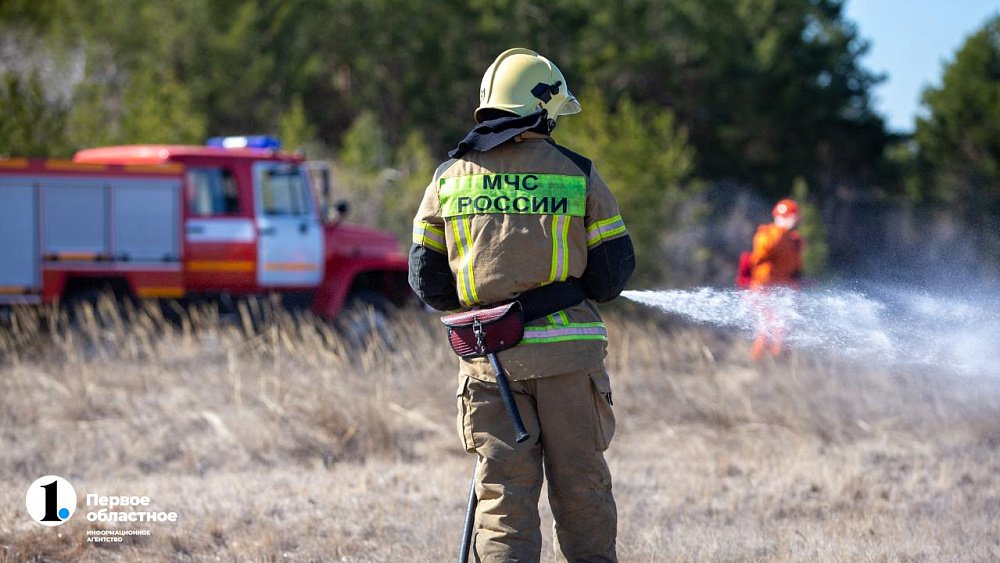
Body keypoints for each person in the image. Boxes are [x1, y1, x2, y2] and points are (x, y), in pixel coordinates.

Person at [409, 48, 634, 562]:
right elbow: (612, 276)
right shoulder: (577, 173)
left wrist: (488, 297)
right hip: (570, 363)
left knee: (503, 501)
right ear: (541, 107)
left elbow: (428, 282)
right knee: (582, 490)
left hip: (490, 365)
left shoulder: (449, 178)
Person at [748, 198, 804, 360]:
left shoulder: (794, 240)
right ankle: (759, 363)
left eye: (790, 217)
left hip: (784, 291)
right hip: (765, 290)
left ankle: (779, 365)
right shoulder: (768, 235)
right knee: (766, 329)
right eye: (784, 217)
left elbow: (795, 267)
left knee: (784, 329)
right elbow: (759, 256)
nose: (787, 220)